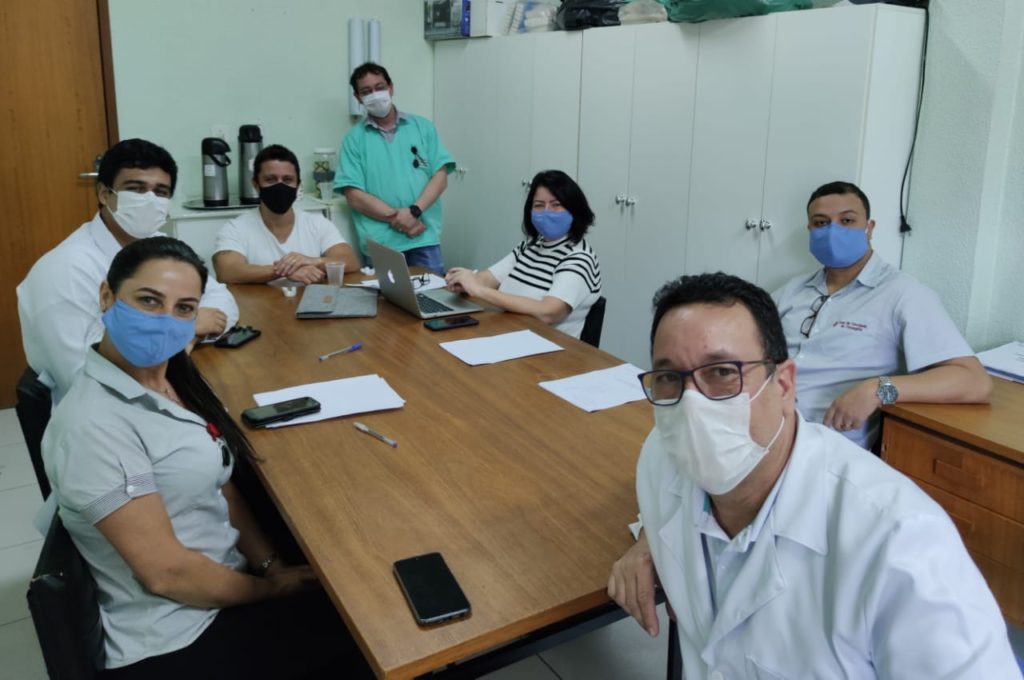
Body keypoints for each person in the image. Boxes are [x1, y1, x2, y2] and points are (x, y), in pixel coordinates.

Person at [609, 272, 1018, 677]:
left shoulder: (900, 541)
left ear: (784, 385)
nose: (692, 408)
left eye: (722, 372)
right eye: (669, 379)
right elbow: (669, 498)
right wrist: (650, 542)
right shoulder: (661, 457)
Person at [42, 237, 369, 678]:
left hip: (222, 576)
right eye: (148, 300)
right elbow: (167, 575)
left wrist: (270, 565)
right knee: (370, 630)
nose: (164, 321)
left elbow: (217, 480)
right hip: (178, 629)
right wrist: (270, 590)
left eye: (184, 309)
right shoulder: (92, 426)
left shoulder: (168, 378)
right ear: (106, 296)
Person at [772, 181, 991, 450]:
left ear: (869, 228)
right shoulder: (791, 291)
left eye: (847, 220)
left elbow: (974, 382)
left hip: (820, 445)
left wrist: (878, 389)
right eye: (821, 223)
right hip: (759, 424)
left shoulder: (902, 294)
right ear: (810, 230)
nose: (832, 231)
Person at [17, 138, 238, 404]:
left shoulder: (161, 246)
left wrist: (181, 333)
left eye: (160, 192)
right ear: (104, 193)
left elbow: (221, 299)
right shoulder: (64, 270)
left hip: (160, 383)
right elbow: (83, 376)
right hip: (102, 410)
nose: (149, 200)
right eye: (136, 189)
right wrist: (188, 329)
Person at [444, 170, 601, 339]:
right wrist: (466, 280)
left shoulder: (579, 258)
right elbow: (489, 278)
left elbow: (548, 312)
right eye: (539, 205)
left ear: (574, 209)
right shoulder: (529, 246)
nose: (546, 212)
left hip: (548, 348)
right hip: (508, 334)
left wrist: (480, 290)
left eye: (556, 205)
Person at [336, 62, 455, 274]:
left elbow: (440, 177)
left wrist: (414, 211)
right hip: (381, 243)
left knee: (434, 293)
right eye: (366, 91)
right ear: (357, 97)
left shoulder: (422, 127)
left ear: (391, 88)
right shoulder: (354, 140)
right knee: (385, 296)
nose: (375, 95)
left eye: (380, 87)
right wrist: (400, 219)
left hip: (423, 237)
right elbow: (354, 196)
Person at [212, 144, 359, 284]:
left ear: (298, 186)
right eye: (270, 179)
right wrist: (285, 271)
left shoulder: (318, 223)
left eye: (287, 180)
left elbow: (351, 262)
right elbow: (227, 271)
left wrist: (312, 261)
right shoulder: (235, 228)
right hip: (259, 302)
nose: (280, 186)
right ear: (256, 185)